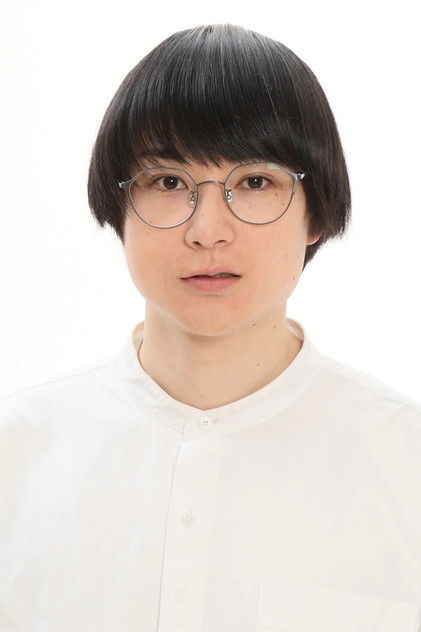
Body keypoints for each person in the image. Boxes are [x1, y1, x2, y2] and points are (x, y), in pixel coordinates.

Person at [1, 23, 421, 632]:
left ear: (317, 214)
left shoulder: (406, 467)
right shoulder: (18, 456)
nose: (207, 231)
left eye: (255, 182)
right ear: (118, 210)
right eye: (169, 182)